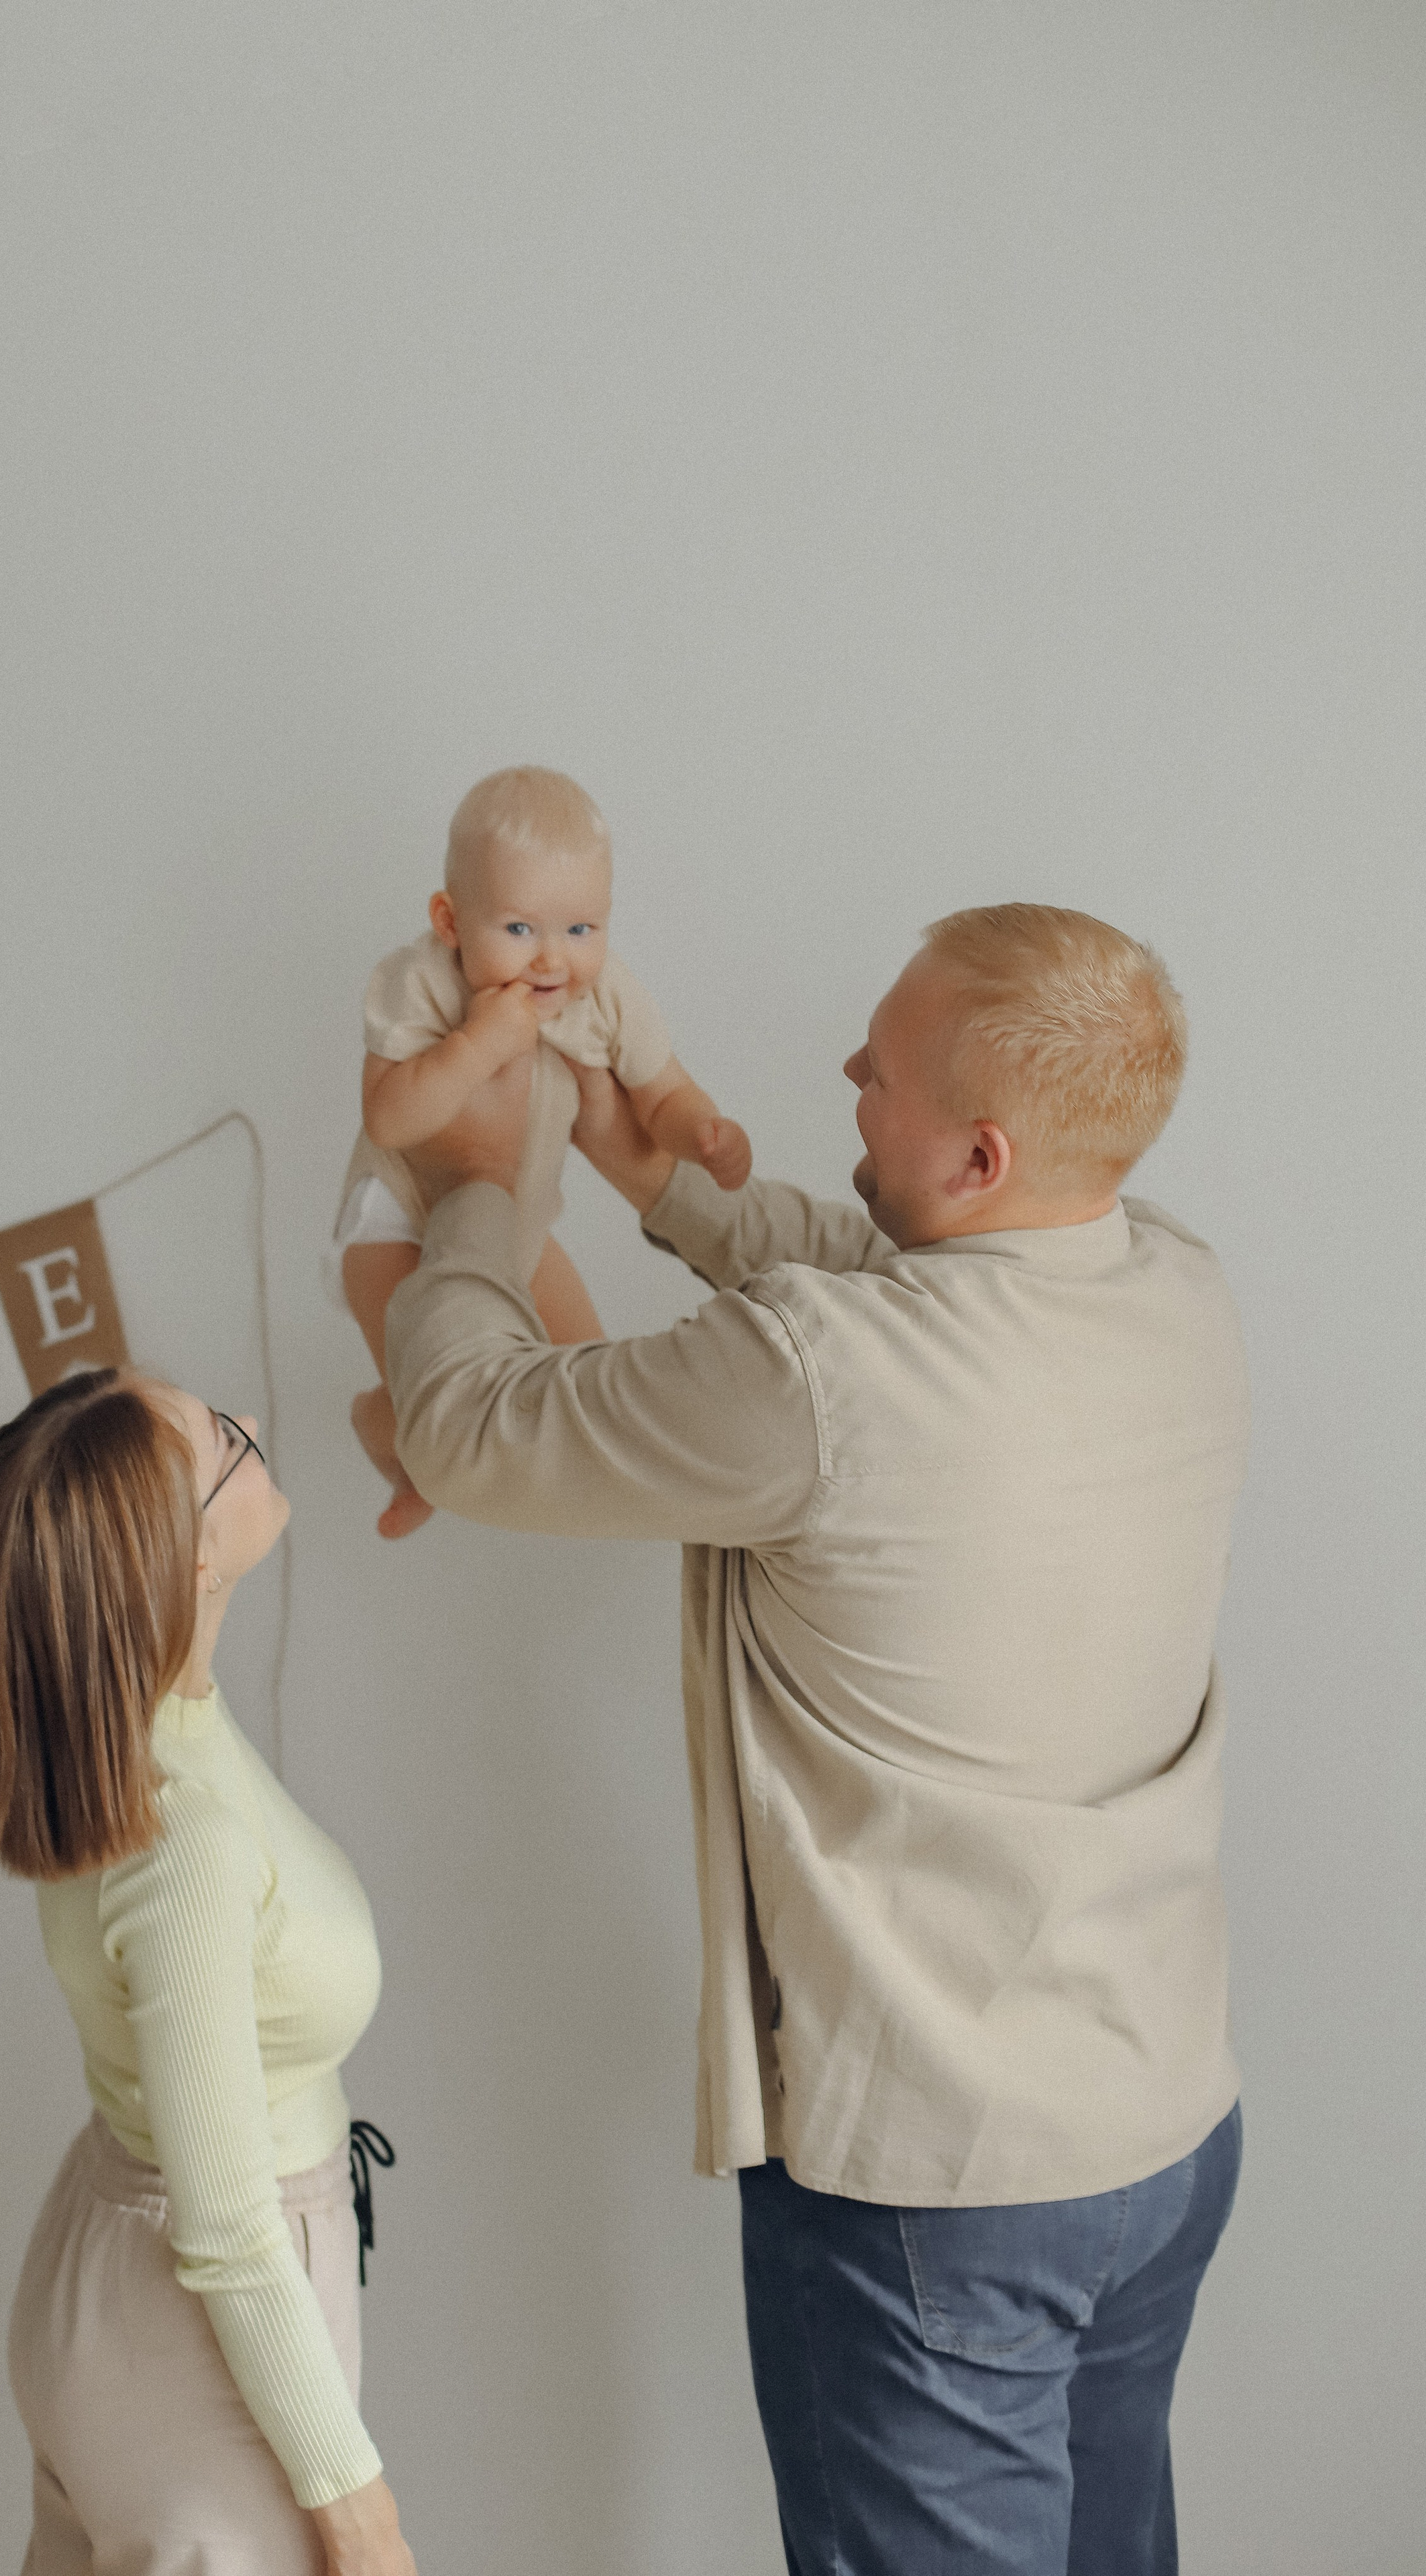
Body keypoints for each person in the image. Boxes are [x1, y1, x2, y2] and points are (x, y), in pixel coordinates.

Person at [382, 904, 1248, 2576]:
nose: (845, 1070)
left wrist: (478, 1190)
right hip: (1157, 2135)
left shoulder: (814, 1381)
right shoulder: (1174, 1287)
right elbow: (914, 1296)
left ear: (977, 1151)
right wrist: (671, 1189)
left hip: (944, 2185)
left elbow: (466, 1424)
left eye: (883, 1064)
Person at [0, 1368, 419, 2576]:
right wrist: (362, 2513)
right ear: (188, 1561)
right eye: (225, 1441)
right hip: (193, 2328)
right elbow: (224, 2227)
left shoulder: (144, 1732)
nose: (255, 1425)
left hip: (115, 2277)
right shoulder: (184, 1837)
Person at [331, 763, 751, 1536]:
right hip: (396, 1212)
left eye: (580, 930)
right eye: (519, 929)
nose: (552, 958)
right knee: (433, 1394)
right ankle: (390, 1432)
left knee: (584, 1388)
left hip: (516, 1220)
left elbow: (661, 1094)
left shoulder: (606, 994)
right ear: (451, 921)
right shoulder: (419, 980)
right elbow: (389, 1120)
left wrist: (703, 1134)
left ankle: (415, 1448)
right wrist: (475, 1044)